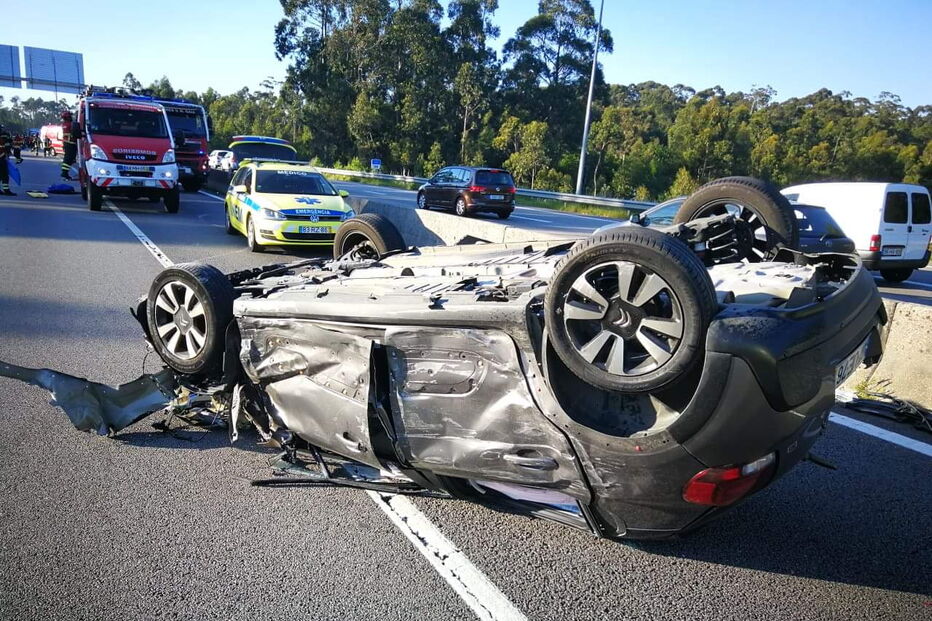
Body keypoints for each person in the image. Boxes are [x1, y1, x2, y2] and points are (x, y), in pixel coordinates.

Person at [60, 110, 78, 180]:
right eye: (70, 116)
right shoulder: (70, 124)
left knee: (67, 158)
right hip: (71, 143)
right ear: (68, 117)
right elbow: (75, 131)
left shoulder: (64, 124)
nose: (71, 117)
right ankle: (64, 173)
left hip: (66, 143)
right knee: (69, 158)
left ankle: (64, 172)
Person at [0, 125, 15, 195]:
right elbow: (6, 145)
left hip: (2, 157)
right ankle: (6, 190)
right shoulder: (3, 135)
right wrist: (7, 154)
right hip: (1, 158)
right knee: (4, 175)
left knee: (1, 174)